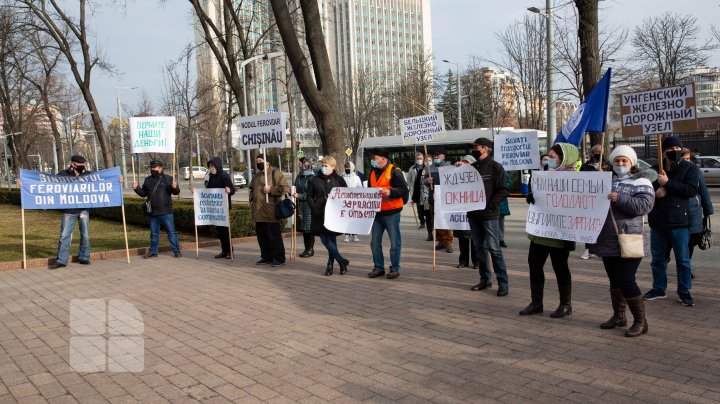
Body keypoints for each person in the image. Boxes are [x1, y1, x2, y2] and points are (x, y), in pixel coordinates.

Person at [589, 146, 656, 337]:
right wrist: (596, 182)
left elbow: (645, 206)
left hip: (629, 238)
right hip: (607, 238)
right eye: (617, 161)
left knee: (626, 280)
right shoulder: (606, 179)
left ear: (632, 163)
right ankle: (619, 316)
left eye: (624, 161)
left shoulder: (642, 181)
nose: (620, 164)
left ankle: (641, 322)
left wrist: (620, 198)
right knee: (614, 280)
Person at [520, 143, 579, 315]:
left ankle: (565, 304)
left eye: (554, 157)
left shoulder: (574, 178)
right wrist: (531, 196)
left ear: (564, 159)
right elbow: (534, 196)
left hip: (560, 231)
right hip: (541, 229)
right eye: (549, 156)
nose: (550, 160)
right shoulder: (541, 175)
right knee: (534, 263)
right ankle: (536, 303)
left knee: (560, 266)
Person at [645, 136, 700, 306]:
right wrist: (655, 193)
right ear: (663, 151)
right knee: (658, 259)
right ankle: (659, 288)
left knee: (683, 260)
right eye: (670, 148)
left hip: (679, 222)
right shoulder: (654, 169)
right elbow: (643, 190)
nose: (674, 151)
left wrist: (668, 183)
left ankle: (684, 290)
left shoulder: (689, 168)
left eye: (677, 148)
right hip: (658, 222)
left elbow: (690, 190)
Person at [467, 138, 510, 296]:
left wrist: (491, 204)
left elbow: (504, 189)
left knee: (494, 249)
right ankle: (485, 279)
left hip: (489, 215)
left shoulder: (495, 167)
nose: (474, 150)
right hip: (473, 214)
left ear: (485, 149)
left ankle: (503, 283)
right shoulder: (470, 168)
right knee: (480, 249)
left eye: (476, 147)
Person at [48, 155, 99, 269]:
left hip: (83, 210)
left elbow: (103, 183)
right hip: (68, 211)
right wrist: (24, 184)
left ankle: (84, 257)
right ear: (73, 164)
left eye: (84, 165)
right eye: (80, 165)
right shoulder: (63, 175)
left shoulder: (88, 175)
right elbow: (48, 185)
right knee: (64, 236)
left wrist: (118, 180)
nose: (83, 167)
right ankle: (61, 260)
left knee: (85, 235)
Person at [367, 149, 409, 279]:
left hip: (392, 213)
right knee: (374, 243)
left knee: (395, 242)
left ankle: (395, 268)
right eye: (372, 158)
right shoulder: (373, 173)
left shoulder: (395, 171)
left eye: (375, 158)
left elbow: (403, 190)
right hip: (377, 213)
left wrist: (390, 192)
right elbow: (369, 191)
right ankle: (378, 267)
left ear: (383, 159)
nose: (373, 160)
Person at [308, 157, 349, 276]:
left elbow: (346, 195)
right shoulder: (314, 179)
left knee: (331, 238)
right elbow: (309, 196)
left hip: (334, 213)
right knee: (324, 239)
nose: (324, 167)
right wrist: (314, 207)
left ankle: (330, 264)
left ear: (333, 166)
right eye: (323, 164)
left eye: (326, 165)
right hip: (319, 213)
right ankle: (341, 261)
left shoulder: (339, 179)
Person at [133, 161, 182, 258]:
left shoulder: (168, 178)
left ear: (160, 168)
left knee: (171, 233)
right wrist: (136, 188)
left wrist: (175, 188)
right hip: (153, 212)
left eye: (154, 168)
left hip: (166, 212)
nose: (152, 169)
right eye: (151, 168)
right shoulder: (148, 180)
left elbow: (176, 192)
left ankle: (177, 251)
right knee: (154, 234)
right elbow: (143, 193)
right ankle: (153, 251)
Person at [249, 154, 291, 267]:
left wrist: (271, 189)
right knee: (262, 236)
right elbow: (251, 189)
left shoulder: (275, 173)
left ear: (267, 162)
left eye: (260, 160)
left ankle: (279, 258)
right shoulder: (257, 175)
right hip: (258, 211)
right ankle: (266, 257)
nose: (258, 162)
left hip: (270, 210)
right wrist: (251, 200)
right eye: (257, 160)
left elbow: (285, 188)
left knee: (273, 236)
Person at [579, 144, 610, 260]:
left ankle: (601, 248)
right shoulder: (586, 166)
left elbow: (613, 179)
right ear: (592, 153)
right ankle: (588, 249)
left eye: (602, 152)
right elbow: (581, 181)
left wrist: (604, 175)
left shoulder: (609, 165)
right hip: (590, 200)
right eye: (597, 152)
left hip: (604, 200)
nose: (600, 154)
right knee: (589, 225)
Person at [205, 157, 236, 259]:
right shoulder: (211, 176)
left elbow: (232, 189)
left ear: (217, 166)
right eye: (209, 166)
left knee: (225, 230)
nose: (210, 168)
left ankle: (229, 251)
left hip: (224, 207)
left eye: (212, 166)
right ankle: (224, 250)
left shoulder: (224, 176)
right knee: (219, 230)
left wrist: (229, 190)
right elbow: (208, 190)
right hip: (215, 207)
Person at [424, 151, 454, 253]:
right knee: (436, 221)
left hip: (446, 199)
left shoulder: (449, 166)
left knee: (445, 221)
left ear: (444, 156)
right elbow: (424, 181)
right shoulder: (430, 167)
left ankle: (448, 242)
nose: (436, 156)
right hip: (433, 199)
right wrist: (427, 181)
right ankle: (441, 241)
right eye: (435, 155)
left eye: (439, 155)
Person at [453, 155, 477, 269]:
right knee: (462, 237)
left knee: (475, 238)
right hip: (460, 211)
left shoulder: (477, 174)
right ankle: (463, 260)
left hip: (474, 209)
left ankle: (476, 261)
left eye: (467, 163)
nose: (465, 165)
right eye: (463, 162)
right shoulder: (457, 173)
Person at [294, 161, 315, 257]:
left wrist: (300, 195)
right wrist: (293, 191)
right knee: (303, 229)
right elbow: (296, 187)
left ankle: (310, 249)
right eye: (302, 165)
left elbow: (312, 194)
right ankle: (306, 249)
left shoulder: (312, 177)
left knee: (309, 229)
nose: (303, 166)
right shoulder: (298, 177)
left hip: (309, 205)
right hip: (300, 205)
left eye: (306, 165)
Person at [341, 161, 363, 243]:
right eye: (346, 168)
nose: (347, 169)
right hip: (345, 201)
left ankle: (354, 234)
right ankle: (347, 234)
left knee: (354, 218)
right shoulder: (342, 176)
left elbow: (360, 189)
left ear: (352, 168)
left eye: (348, 168)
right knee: (346, 218)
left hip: (354, 201)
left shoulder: (356, 178)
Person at [406, 152, 427, 229]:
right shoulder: (412, 168)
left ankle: (428, 221)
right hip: (416, 191)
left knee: (427, 208)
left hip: (426, 191)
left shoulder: (427, 167)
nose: (419, 160)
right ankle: (422, 221)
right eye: (418, 159)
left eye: (421, 158)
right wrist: (408, 189)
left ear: (423, 159)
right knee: (419, 208)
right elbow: (409, 180)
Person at [498, 171, 512, 248]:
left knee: (500, 222)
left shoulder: (501, 169)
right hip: (490, 201)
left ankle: (500, 239)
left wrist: (501, 188)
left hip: (500, 201)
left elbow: (509, 182)